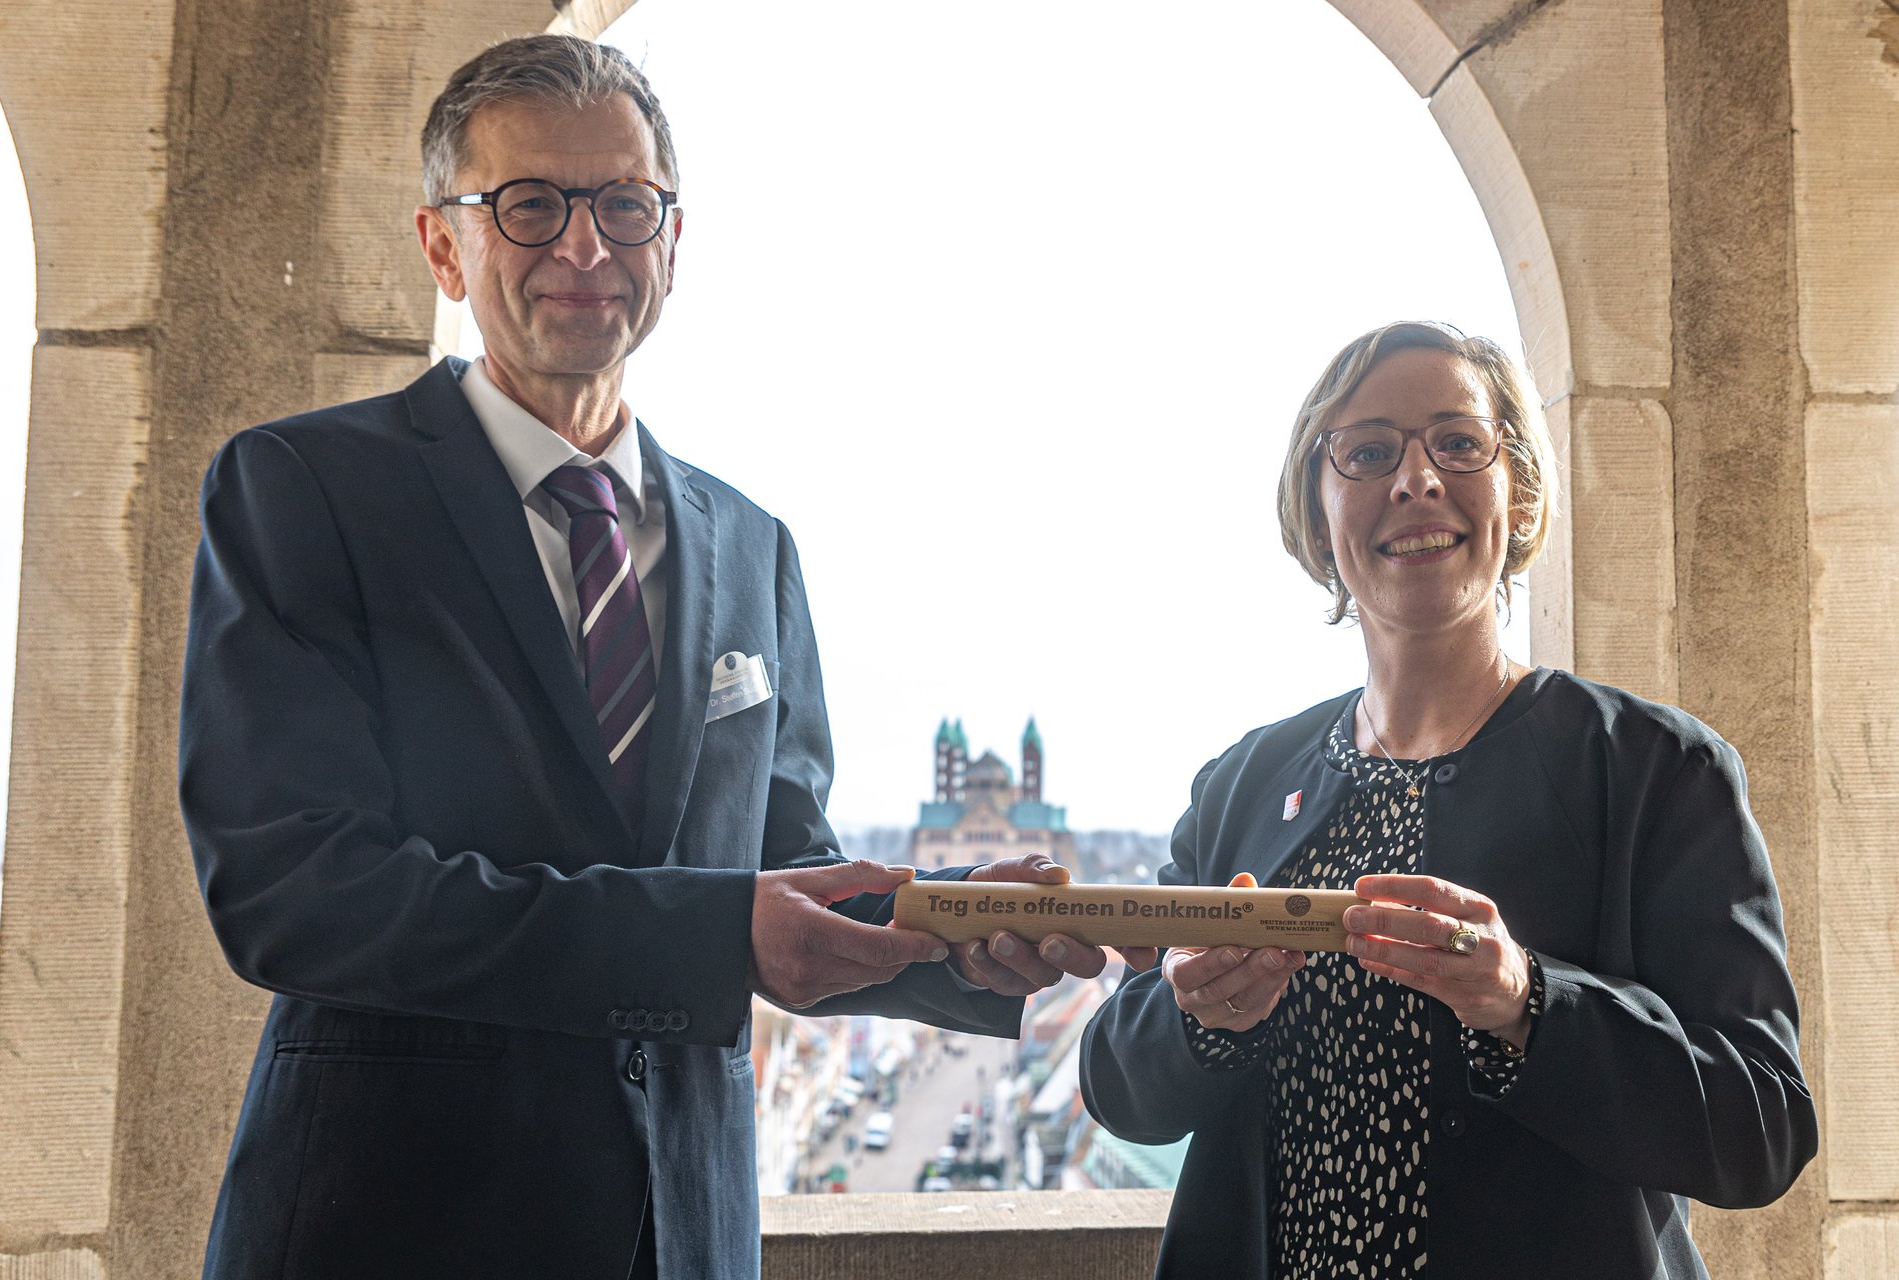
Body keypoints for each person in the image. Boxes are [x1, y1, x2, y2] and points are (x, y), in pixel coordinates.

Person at [179, 34, 1103, 1280]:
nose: (583, 245)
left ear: (674, 240)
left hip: (681, 1235)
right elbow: (293, 889)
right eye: (529, 205)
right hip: (392, 1224)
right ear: (443, 244)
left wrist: (955, 933)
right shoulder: (304, 489)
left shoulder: (754, 547)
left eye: (625, 203)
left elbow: (780, 871)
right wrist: (710, 937)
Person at [1079, 321, 1816, 1277]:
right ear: (1318, 506)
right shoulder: (1243, 783)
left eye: (1459, 443)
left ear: (1518, 489)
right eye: (1369, 451)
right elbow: (1116, 1084)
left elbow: (1762, 1128)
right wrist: (1195, 1018)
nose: (1416, 479)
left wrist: (1528, 1003)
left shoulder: (1657, 770)